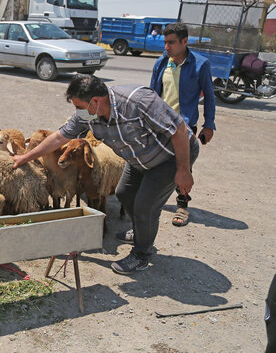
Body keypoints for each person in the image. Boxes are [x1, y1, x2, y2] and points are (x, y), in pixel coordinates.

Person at [12, 75, 199, 275]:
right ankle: (141, 232)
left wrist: (183, 169)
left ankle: (141, 255)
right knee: (125, 193)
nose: (77, 112)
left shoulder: (138, 102)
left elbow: (179, 130)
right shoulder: (89, 114)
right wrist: (25, 157)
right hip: (139, 158)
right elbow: (59, 137)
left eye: (78, 107)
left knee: (145, 205)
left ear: (95, 101)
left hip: (170, 156)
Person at [150, 22, 215, 227]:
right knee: (154, 164)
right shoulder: (162, 62)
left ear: (184, 42)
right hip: (160, 124)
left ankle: (182, 205)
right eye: (165, 42)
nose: (167, 47)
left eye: (171, 43)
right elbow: (152, 95)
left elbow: (210, 97)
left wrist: (209, 124)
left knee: (183, 166)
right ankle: (151, 202)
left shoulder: (200, 64)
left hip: (184, 127)